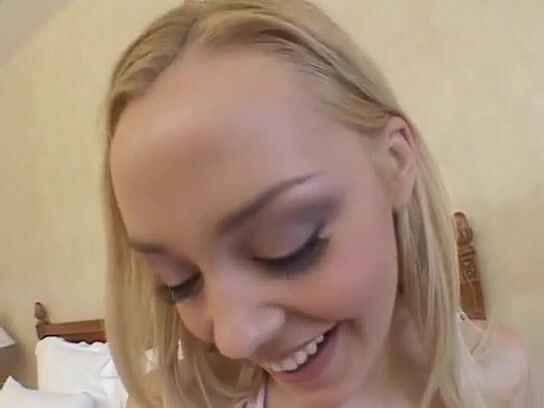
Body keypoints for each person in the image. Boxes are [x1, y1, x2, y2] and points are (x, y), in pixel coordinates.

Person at [103, 1, 532, 407]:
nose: (236, 339)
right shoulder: (172, 402)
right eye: (179, 282)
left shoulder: (498, 383)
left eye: (288, 246)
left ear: (396, 159)